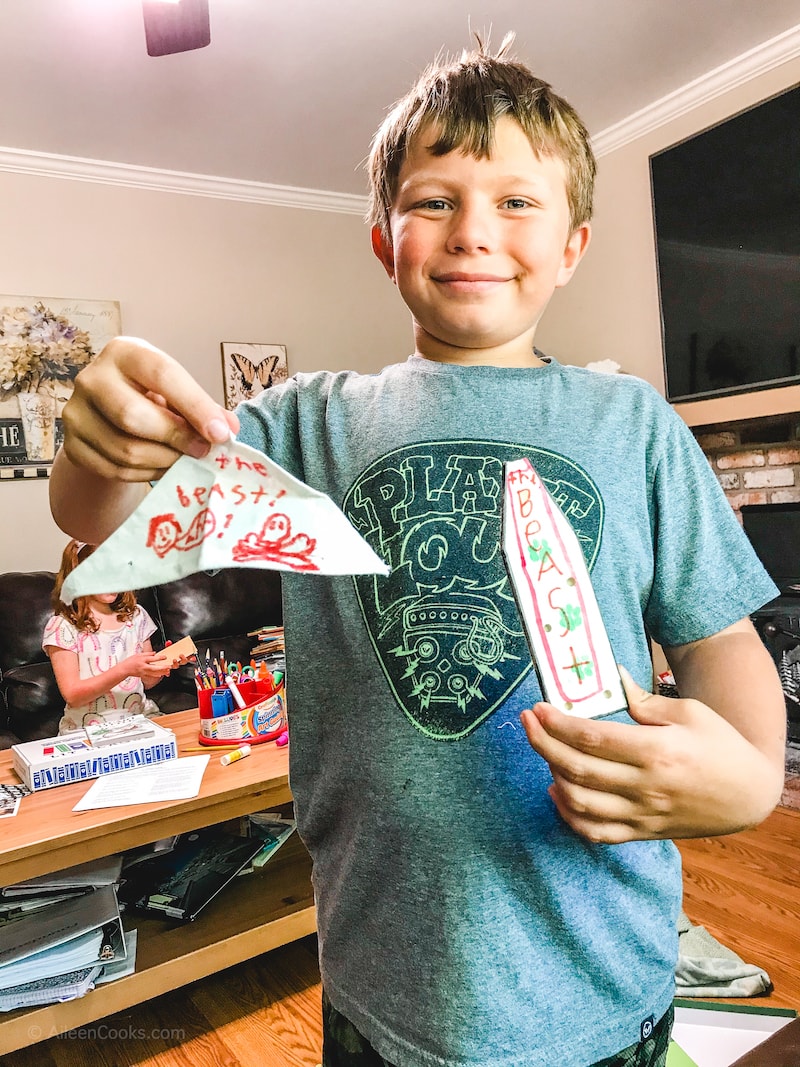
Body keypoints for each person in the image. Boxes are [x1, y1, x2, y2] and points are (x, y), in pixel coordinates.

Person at [48, 36, 786, 1067]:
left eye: (516, 202)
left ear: (572, 244)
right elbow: (106, 516)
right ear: (381, 238)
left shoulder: (636, 425)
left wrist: (752, 778)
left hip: (611, 976)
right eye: (434, 200)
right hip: (382, 981)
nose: (473, 231)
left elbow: (720, 643)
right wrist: (94, 443)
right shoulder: (303, 424)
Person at [43, 539, 172, 733]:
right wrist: (125, 669)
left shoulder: (136, 616)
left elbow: (148, 681)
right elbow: (73, 695)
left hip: (139, 721)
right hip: (85, 730)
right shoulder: (63, 626)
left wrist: (163, 665)